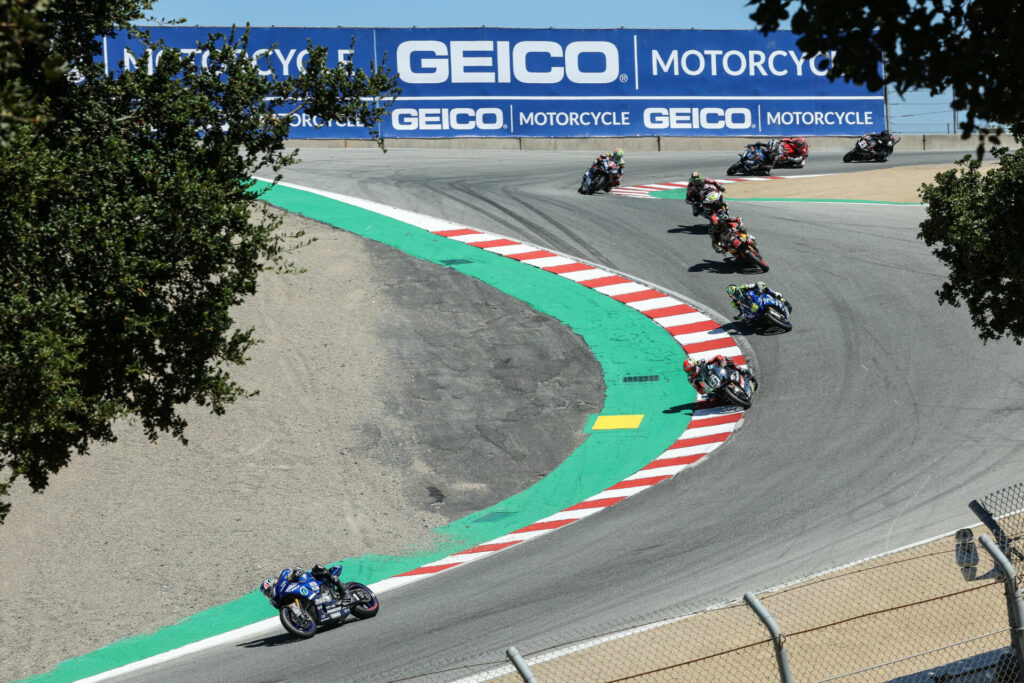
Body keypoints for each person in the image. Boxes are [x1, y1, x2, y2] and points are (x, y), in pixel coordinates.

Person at [683, 355, 758, 394]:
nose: (691, 373)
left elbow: (715, 358)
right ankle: (731, 396)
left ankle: (742, 370)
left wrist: (721, 360)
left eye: (692, 370)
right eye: (689, 372)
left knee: (728, 359)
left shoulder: (702, 362)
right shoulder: (691, 379)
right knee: (713, 399)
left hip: (717, 371)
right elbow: (699, 390)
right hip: (711, 385)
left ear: (695, 365)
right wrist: (706, 391)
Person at [727, 282, 792, 321]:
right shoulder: (734, 303)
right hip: (752, 310)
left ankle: (774, 294)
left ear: (737, 289)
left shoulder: (743, 287)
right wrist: (741, 316)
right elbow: (741, 311)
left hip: (757, 297)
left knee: (762, 285)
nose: (735, 296)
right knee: (748, 321)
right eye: (733, 295)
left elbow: (754, 285)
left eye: (735, 293)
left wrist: (758, 286)